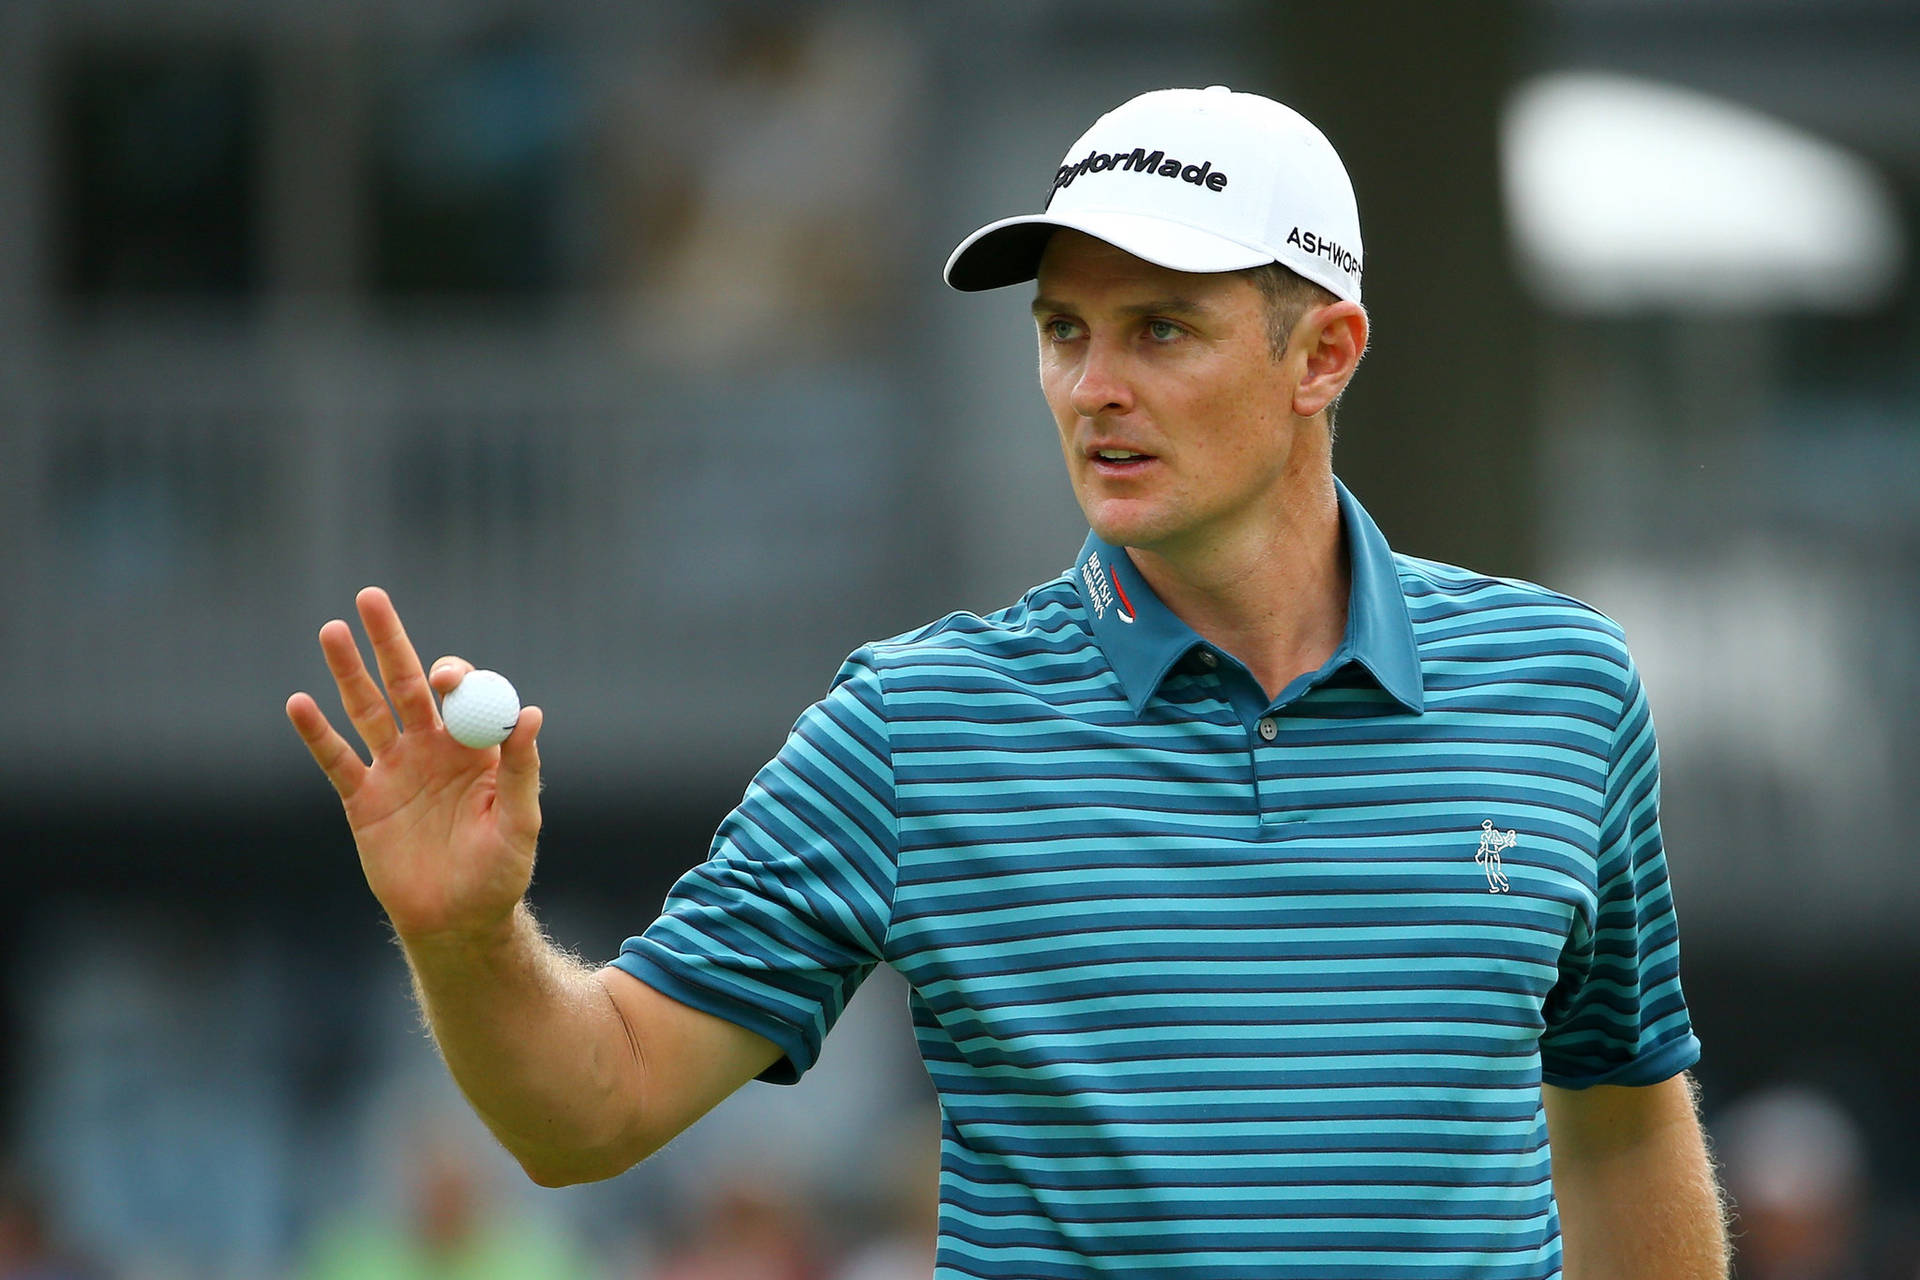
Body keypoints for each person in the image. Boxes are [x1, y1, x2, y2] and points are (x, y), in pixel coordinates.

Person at [287, 86, 1730, 1278]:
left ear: (1323, 355)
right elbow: (589, 1112)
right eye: (1063, 330)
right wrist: (467, 940)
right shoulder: (913, 728)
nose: (1094, 383)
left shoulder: (1561, 689)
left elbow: (1623, 1126)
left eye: (1161, 328)